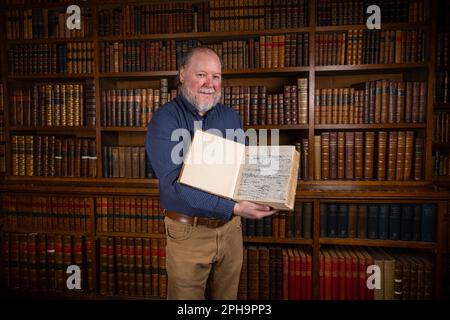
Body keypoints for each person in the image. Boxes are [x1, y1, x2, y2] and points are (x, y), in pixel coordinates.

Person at [144, 47, 276, 300]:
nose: (210, 84)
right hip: (189, 233)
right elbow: (175, 187)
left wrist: (267, 195)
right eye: (201, 74)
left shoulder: (230, 117)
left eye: (216, 76)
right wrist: (235, 208)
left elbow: (241, 170)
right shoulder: (164, 120)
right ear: (182, 74)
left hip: (230, 232)